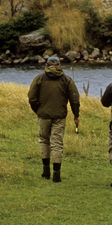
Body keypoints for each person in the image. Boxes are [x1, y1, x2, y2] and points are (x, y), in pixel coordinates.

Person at [28, 55, 80, 183]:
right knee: (57, 144)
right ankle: (57, 174)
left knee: (44, 141)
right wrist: (76, 115)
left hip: (44, 115)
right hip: (59, 116)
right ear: (59, 66)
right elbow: (74, 99)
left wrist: (39, 111)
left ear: (46, 65)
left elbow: (31, 98)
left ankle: (46, 172)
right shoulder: (67, 80)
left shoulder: (39, 78)